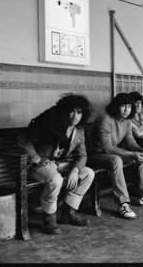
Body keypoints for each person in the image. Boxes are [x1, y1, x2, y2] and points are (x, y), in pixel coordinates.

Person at [18, 93, 95, 235]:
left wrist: (75, 170)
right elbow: (23, 140)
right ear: (64, 112)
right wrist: (38, 159)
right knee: (56, 179)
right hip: (38, 166)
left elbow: (82, 154)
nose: (75, 116)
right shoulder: (49, 124)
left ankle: (68, 213)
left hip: (59, 164)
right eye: (71, 111)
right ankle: (49, 219)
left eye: (79, 112)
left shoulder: (79, 130)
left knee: (88, 173)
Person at [86, 93, 143, 220]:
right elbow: (106, 148)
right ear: (115, 106)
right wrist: (131, 154)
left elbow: (130, 142)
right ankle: (123, 203)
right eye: (122, 106)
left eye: (129, 106)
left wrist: (141, 150)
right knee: (116, 159)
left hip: (112, 153)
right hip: (95, 155)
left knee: (142, 157)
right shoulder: (105, 118)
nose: (126, 110)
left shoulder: (127, 120)